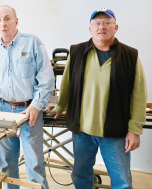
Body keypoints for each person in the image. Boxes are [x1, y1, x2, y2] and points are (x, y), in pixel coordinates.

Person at [51, 8, 147, 189]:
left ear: (115, 27)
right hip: (83, 131)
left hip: (115, 132)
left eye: (107, 22)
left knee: (122, 182)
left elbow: (139, 95)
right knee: (80, 175)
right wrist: (59, 107)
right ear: (90, 29)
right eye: (96, 23)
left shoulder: (130, 56)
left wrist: (134, 129)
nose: (101, 27)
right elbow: (67, 84)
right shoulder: (77, 51)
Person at [0, 5, 54, 189]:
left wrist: (36, 106)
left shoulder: (33, 42)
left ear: (16, 21)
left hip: (28, 110)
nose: (3, 23)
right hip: (2, 110)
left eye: (7, 18)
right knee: (7, 164)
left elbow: (47, 79)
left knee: (34, 163)